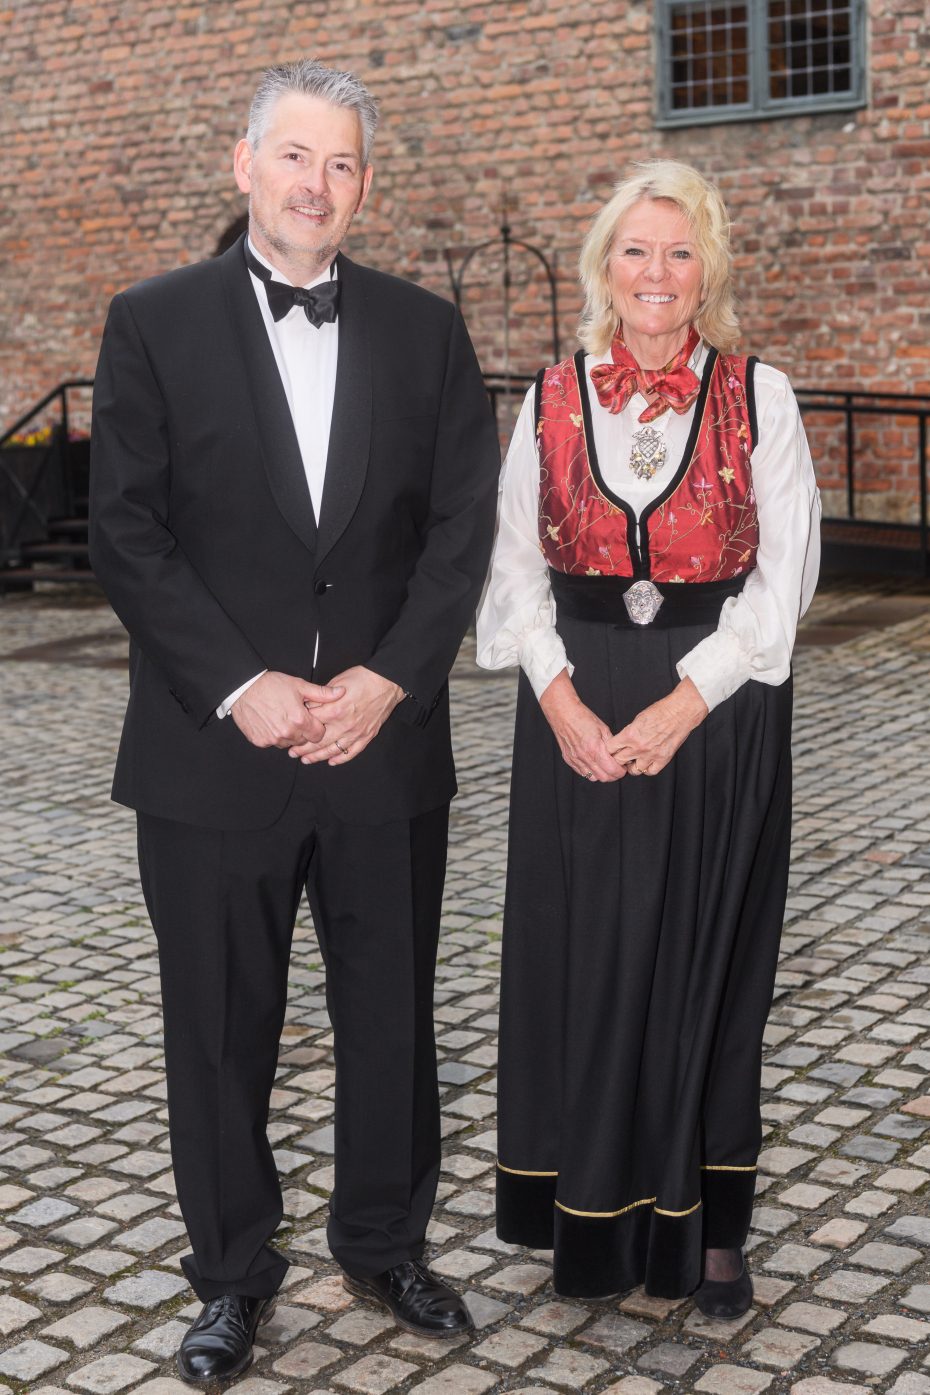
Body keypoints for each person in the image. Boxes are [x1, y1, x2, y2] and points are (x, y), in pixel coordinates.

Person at [89, 58, 500, 1383]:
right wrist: (240, 682)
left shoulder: (425, 331)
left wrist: (387, 678)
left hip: (381, 748)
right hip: (215, 752)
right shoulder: (150, 322)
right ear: (244, 165)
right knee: (218, 1024)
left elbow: (460, 529)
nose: (316, 185)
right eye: (294, 158)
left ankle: (382, 1243)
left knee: (391, 1017)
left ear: (362, 187)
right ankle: (229, 1275)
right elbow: (127, 533)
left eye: (340, 166)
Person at [476, 159, 820, 1317]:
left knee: (704, 967)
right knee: (589, 962)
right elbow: (514, 573)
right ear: (603, 268)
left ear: (708, 268)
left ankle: (707, 1231)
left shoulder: (757, 395)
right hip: (573, 706)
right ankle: (591, 1222)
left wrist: (686, 699)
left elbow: (784, 585)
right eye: (636, 250)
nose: (657, 273)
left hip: (713, 712)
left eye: (680, 252)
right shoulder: (550, 395)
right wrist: (563, 702)